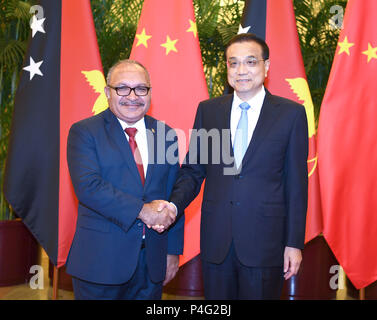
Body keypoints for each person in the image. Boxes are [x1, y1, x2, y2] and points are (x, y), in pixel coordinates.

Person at [164, 33, 308, 299]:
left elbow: (296, 185)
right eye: (233, 63)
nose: (241, 70)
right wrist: (172, 206)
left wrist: (293, 243)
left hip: (266, 243)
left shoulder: (291, 114)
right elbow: (194, 170)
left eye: (250, 62)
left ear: (266, 67)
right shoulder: (209, 111)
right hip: (217, 243)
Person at [65, 59, 183, 300]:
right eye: (122, 88)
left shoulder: (165, 134)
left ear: (150, 93)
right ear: (108, 92)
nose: (132, 96)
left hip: (151, 264)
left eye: (141, 88)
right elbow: (89, 187)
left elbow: (174, 194)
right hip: (100, 263)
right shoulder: (84, 132)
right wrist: (143, 211)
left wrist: (172, 251)